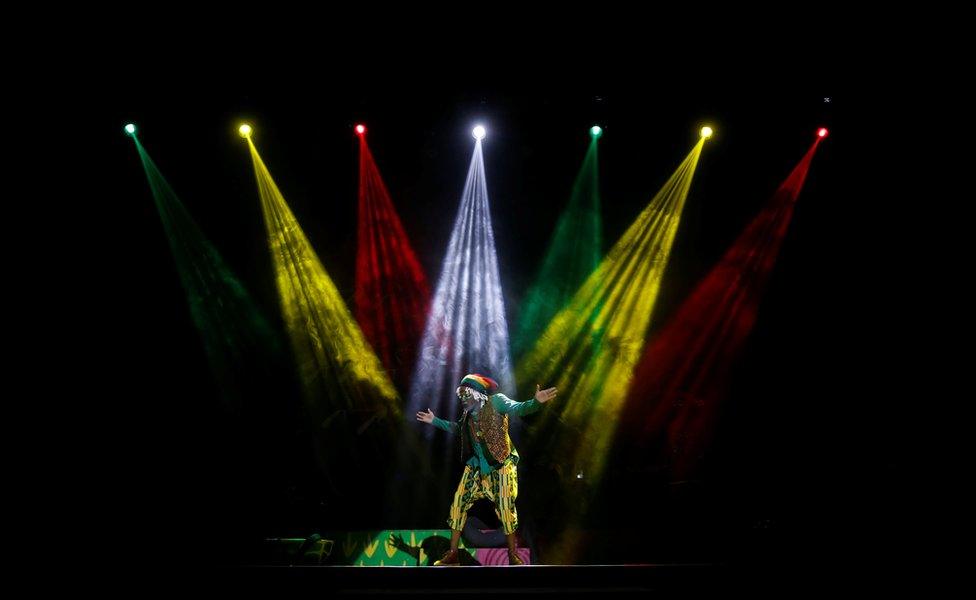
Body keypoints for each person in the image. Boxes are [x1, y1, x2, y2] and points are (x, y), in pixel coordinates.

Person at [416, 373, 557, 565]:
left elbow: (518, 408)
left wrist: (535, 402)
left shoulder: (496, 402)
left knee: (506, 508)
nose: (463, 399)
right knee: (458, 505)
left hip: (501, 466)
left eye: (467, 394)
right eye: (461, 395)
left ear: (479, 393)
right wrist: (435, 421)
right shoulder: (467, 416)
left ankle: (512, 554)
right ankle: (453, 554)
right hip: (476, 467)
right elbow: (458, 429)